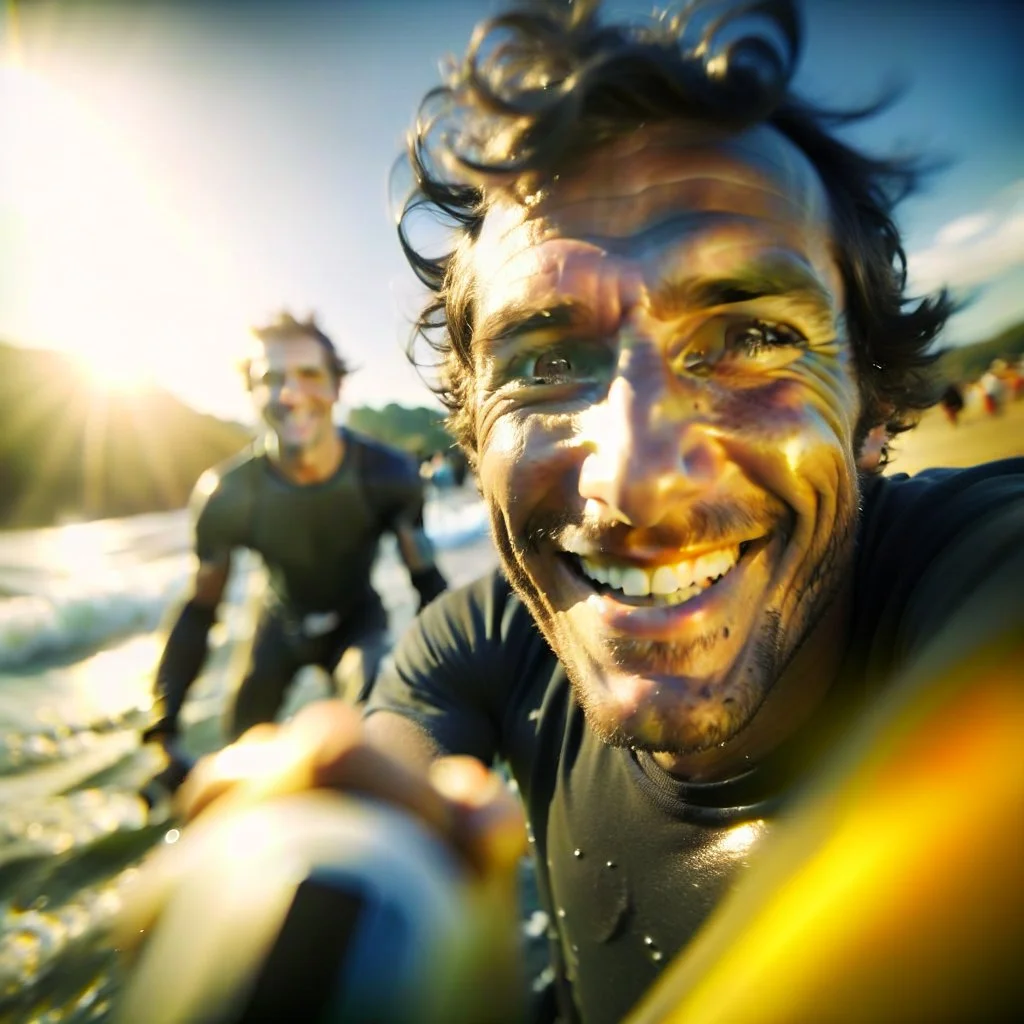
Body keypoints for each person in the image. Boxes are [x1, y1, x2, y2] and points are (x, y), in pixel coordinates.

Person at [130, 2, 1024, 1021]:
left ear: (874, 404)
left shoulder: (977, 563)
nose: (635, 479)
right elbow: (372, 756)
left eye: (748, 337)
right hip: (281, 630)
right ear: (474, 439)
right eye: (547, 363)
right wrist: (303, 856)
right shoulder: (479, 639)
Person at [140, 311, 448, 781]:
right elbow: (200, 610)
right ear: (252, 392)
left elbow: (427, 585)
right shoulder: (226, 495)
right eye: (271, 378)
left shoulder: (389, 476)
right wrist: (163, 730)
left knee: (372, 734)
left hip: (357, 620)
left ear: (336, 387)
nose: (291, 394)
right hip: (276, 626)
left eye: (309, 375)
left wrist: (467, 692)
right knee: (240, 753)